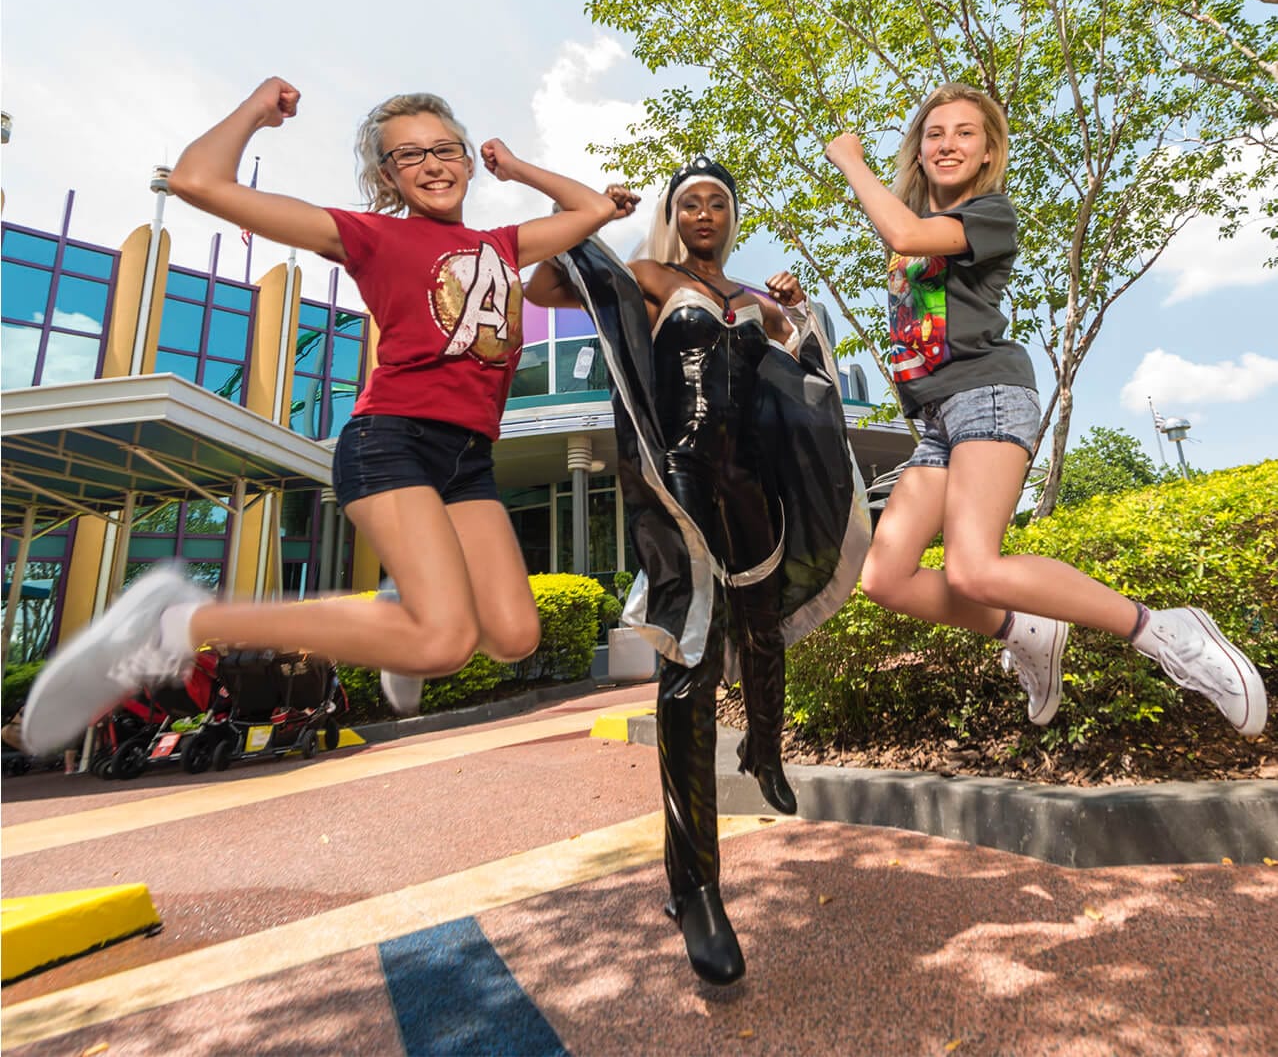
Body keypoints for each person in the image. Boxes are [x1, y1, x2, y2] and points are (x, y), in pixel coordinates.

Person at [20, 77, 633, 757]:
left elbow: (593, 208)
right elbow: (197, 181)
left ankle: (395, 609)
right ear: (388, 176)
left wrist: (514, 166)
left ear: (465, 159)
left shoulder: (503, 243)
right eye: (409, 156)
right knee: (445, 641)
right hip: (392, 441)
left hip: (468, 460)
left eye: (445, 149)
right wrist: (256, 111)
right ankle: (179, 620)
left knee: (514, 636)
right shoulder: (370, 235)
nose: (433, 164)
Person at [825, 83, 1268, 737]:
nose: (948, 142)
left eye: (965, 133)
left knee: (974, 567)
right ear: (920, 153)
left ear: (986, 153)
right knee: (886, 577)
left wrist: (852, 162)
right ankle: (1025, 630)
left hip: (990, 396)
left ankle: (1166, 630)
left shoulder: (987, 215)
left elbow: (905, 227)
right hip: (940, 422)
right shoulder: (917, 235)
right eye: (934, 132)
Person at [527, 157, 870, 985]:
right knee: (689, 663)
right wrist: (572, 200)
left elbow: (806, 372)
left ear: (733, 215)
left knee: (763, 622)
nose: (706, 212)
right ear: (676, 216)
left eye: (719, 201)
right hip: (678, 483)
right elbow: (545, 284)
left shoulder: (752, 296)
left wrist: (795, 314)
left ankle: (763, 749)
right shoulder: (647, 275)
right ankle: (696, 887)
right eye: (692, 202)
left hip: (755, 487)